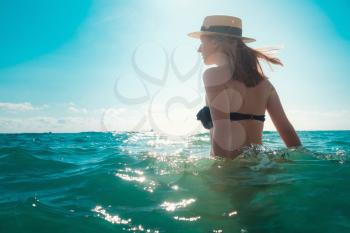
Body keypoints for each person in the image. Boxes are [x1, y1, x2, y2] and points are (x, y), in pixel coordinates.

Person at [188, 15, 301, 159]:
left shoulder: (213, 75)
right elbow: (287, 131)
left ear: (216, 42)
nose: (199, 49)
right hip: (261, 168)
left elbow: (222, 131)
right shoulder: (265, 84)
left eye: (202, 42)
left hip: (233, 172)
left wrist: (222, 175)